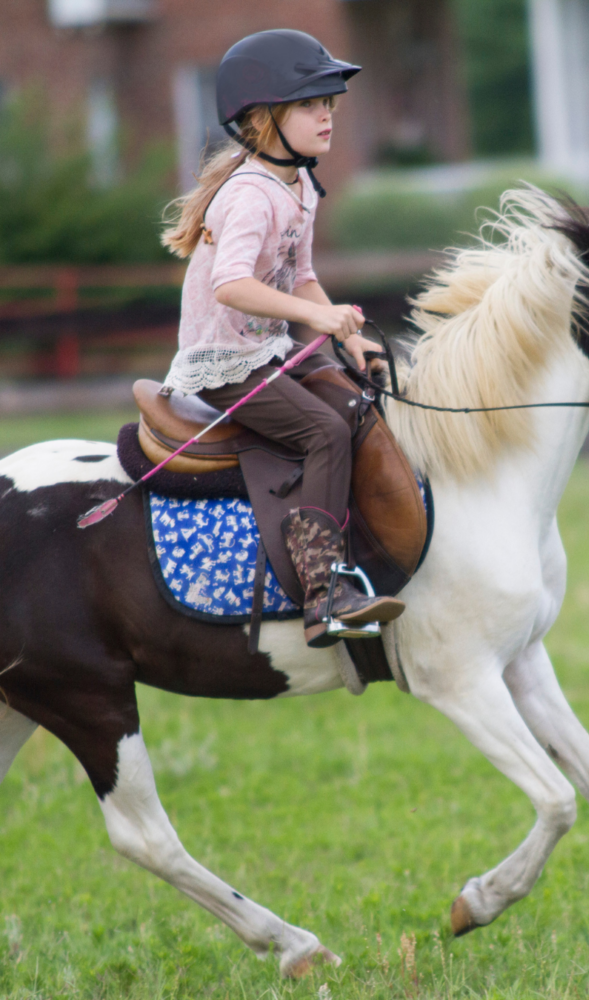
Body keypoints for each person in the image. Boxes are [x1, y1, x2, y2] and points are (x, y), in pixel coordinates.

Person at [160, 29, 405, 648]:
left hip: (266, 349)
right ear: (265, 118)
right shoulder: (250, 195)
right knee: (322, 431)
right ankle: (324, 592)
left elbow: (302, 277)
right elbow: (231, 286)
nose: (326, 116)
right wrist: (319, 323)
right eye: (309, 105)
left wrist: (346, 340)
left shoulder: (299, 186)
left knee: (354, 406)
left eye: (328, 103)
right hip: (226, 364)